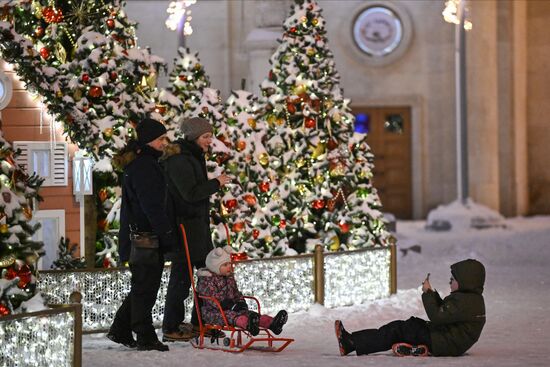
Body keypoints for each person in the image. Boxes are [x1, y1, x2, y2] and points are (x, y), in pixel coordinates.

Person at [161, 117, 232, 342]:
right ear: (193, 137)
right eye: (205, 136)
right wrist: (216, 183)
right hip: (184, 231)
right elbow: (189, 193)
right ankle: (171, 326)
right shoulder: (180, 160)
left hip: (196, 230)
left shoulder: (192, 156)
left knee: (206, 277)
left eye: (210, 136)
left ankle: (201, 322)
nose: (210, 141)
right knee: (182, 280)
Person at [107, 118, 175, 352]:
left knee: (141, 287)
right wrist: (166, 233)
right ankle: (145, 335)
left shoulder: (141, 163)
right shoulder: (145, 166)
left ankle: (120, 328)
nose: (164, 143)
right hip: (146, 239)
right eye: (160, 139)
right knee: (146, 289)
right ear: (148, 141)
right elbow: (152, 206)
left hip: (140, 237)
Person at [335, 259, 486, 357]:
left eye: (452, 280)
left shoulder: (466, 301)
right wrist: (431, 292)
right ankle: (417, 348)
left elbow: (438, 316)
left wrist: (427, 293)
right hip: (444, 340)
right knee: (409, 326)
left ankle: (351, 343)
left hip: (442, 342)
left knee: (398, 329)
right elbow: (446, 312)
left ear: (466, 281)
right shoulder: (470, 299)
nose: (449, 282)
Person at [196, 246, 288, 336]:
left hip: (232, 308)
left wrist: (241, 302)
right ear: (215, 267)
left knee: (250, 314)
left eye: (229, 264)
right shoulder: (206, 280)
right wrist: (230, 305)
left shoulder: (229, 278)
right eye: (225, 265)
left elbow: (236, 293)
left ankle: (272, 323)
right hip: (214, 312)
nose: (229, 267)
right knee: (233, 316)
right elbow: (212, 299)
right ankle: (248, 324)